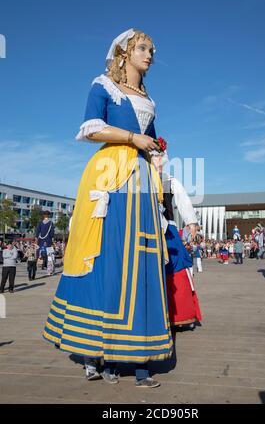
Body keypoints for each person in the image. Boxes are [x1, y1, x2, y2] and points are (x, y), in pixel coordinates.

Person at [42, 29, 173, 388]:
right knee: (105, 255)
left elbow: (153, 141)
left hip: (142, 178)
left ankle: (133, 352)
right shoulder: (103, 86)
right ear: (125, 51)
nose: (150, 54)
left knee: (141, 258)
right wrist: (133, 138)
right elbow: (91, 129)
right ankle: (93, 351)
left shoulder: (149, 98)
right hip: (109, 174)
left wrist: (156, 157)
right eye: (143, 48)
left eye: (152, 49)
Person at [151, 153, 202, 330]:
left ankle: (179, 315)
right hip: (146, 230)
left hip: (168, 231)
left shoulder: (169, 180)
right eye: (153, 157)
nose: (156, 160)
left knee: (176, 267)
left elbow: (182, 198)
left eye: (159, 157)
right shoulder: (138, 180)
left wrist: (191, 221)